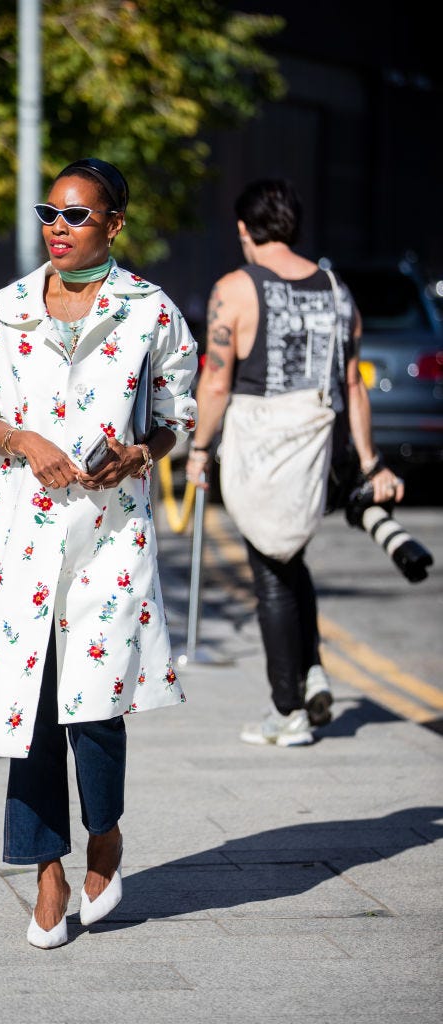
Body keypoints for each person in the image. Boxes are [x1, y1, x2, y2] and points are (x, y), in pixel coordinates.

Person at [0, 158, 197, 948]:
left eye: (76, 216)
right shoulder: (8, 308)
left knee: (93, 703)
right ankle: (45, 870)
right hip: (23, 531)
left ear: (113, 225)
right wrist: (22, 439)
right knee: (28, 708)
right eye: (48, 214)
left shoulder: (148, 310)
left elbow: (177, 409)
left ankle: (105, 836)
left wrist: (141, 453)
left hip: (108, 528)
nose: (57, 229)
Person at [186, 179, 404, 747]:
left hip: (262, 444)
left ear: (243, 230)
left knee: (271, 570)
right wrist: (371, 463)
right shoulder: (337, 288)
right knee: (291, 559)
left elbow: (215, 379)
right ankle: (310, 674)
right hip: (319, 445)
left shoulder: (234, 289)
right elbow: (354, 386)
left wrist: (200, 450)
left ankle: (287, 713)